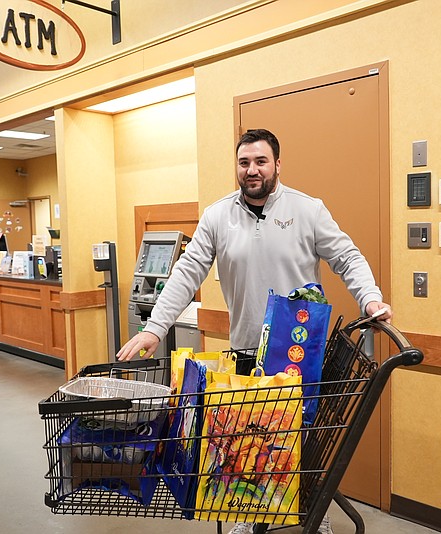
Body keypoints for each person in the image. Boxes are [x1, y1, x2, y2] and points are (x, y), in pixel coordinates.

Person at [116, 128, 392, 534]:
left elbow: (348, 258)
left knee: (301, 440)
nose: (252, 170)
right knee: (248, 441)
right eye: (244, 162)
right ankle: (248, 514)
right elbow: (186, 272)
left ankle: (313, 515)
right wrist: (155, 328)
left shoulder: (308, 210)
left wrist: (369, 298)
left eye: (261, 161)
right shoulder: (216, 216)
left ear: (278, 164)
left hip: (298, 352)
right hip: (247, 348)